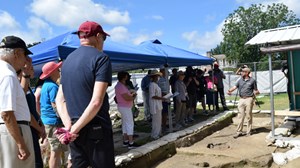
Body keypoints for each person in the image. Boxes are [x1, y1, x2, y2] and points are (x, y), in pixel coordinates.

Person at [56, 21, 115, 168]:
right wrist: (73, 130)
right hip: (96, 128)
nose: (103, 43)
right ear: (98, 36)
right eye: (103, 39)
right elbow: (96, 101)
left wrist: (69, 127)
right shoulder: (101, 58)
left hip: (75, 129)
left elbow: (59, 99)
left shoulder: (67, 60)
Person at [0, 35, 35, 167]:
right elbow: (7, 113)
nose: (26, 60)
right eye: (24, 54)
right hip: (14, 130)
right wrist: (20, 144)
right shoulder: (7, 75)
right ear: (17, 53)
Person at [40, 61, 68, 168]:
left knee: (56, 149)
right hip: (53, 122)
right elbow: (55, 105)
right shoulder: (53, 87)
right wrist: (65, 119)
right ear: (52, 73)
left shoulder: (46, 85)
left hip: (48, 121)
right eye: (57, 70)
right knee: (56, 150)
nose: (59, 71)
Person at [20, 58, 46, 168]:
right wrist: (40, 129)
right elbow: (25, 113)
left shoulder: (27, 87)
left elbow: (32, 110)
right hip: (29, 131)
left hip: (33, 130)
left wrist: (40, 124)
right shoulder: (19, 86)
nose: (33, 70)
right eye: (30, 67)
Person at [227, 67, 260, 138]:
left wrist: (256, 93)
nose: (241, 73)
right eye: (241, 72)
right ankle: (239, 132)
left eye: (242, 72)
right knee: (240, 116)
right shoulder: (240, 80)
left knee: (248, 116)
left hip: (249, 99)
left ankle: (248, 131)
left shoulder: (252, 80)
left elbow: (255, 90)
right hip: (241, 99)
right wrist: (230, 91)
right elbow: (235, 87)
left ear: (247, 73)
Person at [115, 71, 139, 149]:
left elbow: (126, 95)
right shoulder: (121, 86)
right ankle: (131, 143)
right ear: (124, 77)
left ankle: (125, 141)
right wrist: (134, 95)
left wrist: (130, 93)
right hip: (125, 107)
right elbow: (127, 98)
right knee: (129, 124)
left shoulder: (120, 85)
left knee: (125, 124)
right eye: (127, 76)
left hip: (123, 106)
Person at [149, 70, 166, 139]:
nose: (158, 77)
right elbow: (153, 96)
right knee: (156, 120)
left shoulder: (156, 84)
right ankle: (155, 134)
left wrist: (164, 96)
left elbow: (158, 93)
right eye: (157, 76)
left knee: (159, 120)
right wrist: (161, 98)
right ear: (154, 77)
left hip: (158, 104)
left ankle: (158, 133)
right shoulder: (152, 85)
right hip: (155, 105)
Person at [157, 66, 170, 133]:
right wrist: (163, 95)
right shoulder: (159, 80)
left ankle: (165, 125)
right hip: (162, 99)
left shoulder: (166, 79)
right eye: (165, 71)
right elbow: (158, 90)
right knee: (163, 113)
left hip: (167, 97)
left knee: (166, 113)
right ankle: (163, 127)